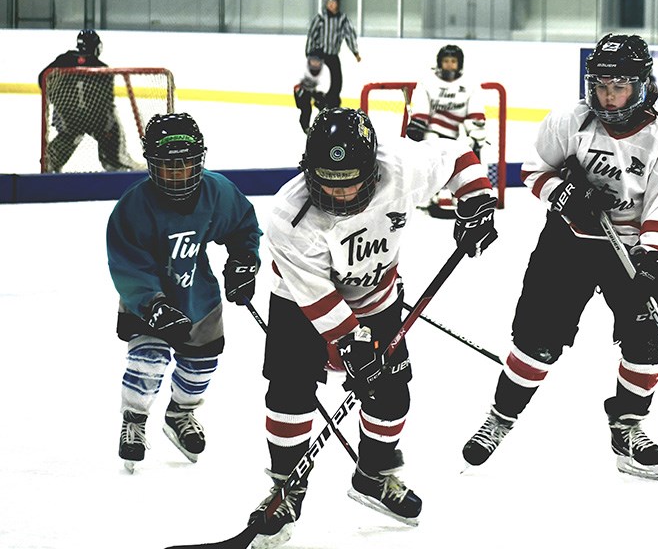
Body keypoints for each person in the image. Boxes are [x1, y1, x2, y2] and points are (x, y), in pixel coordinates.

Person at [248, 106, 498, 546]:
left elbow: (459, 156)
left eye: (350, 182)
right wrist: (352, 346)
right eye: (325, 180)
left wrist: (476, 200)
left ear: (372, 167)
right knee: (290, 390)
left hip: (378, 300)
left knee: (391, 392)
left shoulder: (401, 167)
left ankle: (374, 474)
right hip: (299, 305)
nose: (338, 193)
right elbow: (318, 296)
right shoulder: (289, 215)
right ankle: (287, 486)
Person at [461, 33, 658, 482]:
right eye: (601, 85)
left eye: (618, 86)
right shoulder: (570, 120)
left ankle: (627, 428)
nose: (608, 95)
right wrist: (563, 193)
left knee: (650, 343)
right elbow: (532, 171)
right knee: (536, 343)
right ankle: (500, 417)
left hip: (631, 249)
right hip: (568, 244)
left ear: (641, 85)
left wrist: (654, 258)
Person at [106, 113, 262, 472]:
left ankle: (180, 413)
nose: (178, 174)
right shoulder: (133, 207)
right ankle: (134, 419)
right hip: (148, 303)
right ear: (151, 165)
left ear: (200, 160)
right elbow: (128, 264)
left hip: (198, 299)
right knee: (148, 360)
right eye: (168, 166)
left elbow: (243, 225)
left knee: (201, 365)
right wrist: (153, 306)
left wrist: (242, 261)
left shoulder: (217, 192)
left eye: (187, 164)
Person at [38, 29, 143, 173]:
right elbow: (106, 103)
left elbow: (42, 79)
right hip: (95, 117)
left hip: (69, 117)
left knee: (70, 131)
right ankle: (116, 162)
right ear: (97, 47)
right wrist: (103, 127)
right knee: (111, 127)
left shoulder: (63, 59)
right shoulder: (103, 68)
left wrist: (58, 103)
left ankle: (51, 161)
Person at [406, 44, 488, 218]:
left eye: (453, 61)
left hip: (460, 133)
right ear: (439, 63)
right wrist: (417, 126)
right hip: (433, 131)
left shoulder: (470, 83)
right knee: (428, 153)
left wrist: (475, 134)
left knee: (469, 149)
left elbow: (475, 112)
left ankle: (464, 196)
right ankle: (429, 196)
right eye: (446, 61)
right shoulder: (427, 81)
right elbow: (422, 108)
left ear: (460, 64)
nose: (449, 65)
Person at [303, 0, 361, 110]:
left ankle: (331, 101)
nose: (330, 4)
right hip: (319, 53)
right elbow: (312, 34)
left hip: (333, 54)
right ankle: (310, 99)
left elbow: (349, 34)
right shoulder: (321, 18)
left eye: (333, 2)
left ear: (338, 3)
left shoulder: (342, 19)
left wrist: (355, 52)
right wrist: (309, 53)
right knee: (312, 78)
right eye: (329, 2)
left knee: (337, 81)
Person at [293, 56, 327, 133]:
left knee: (323, 104)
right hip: (301, 90)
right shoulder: (303, 71)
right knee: (306, 109)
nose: (315, 63)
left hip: (313, 90)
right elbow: (296, 86)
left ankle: (323, 123)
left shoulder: (324, 71)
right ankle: (305, 126)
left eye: (317, 61)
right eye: (313, 61)